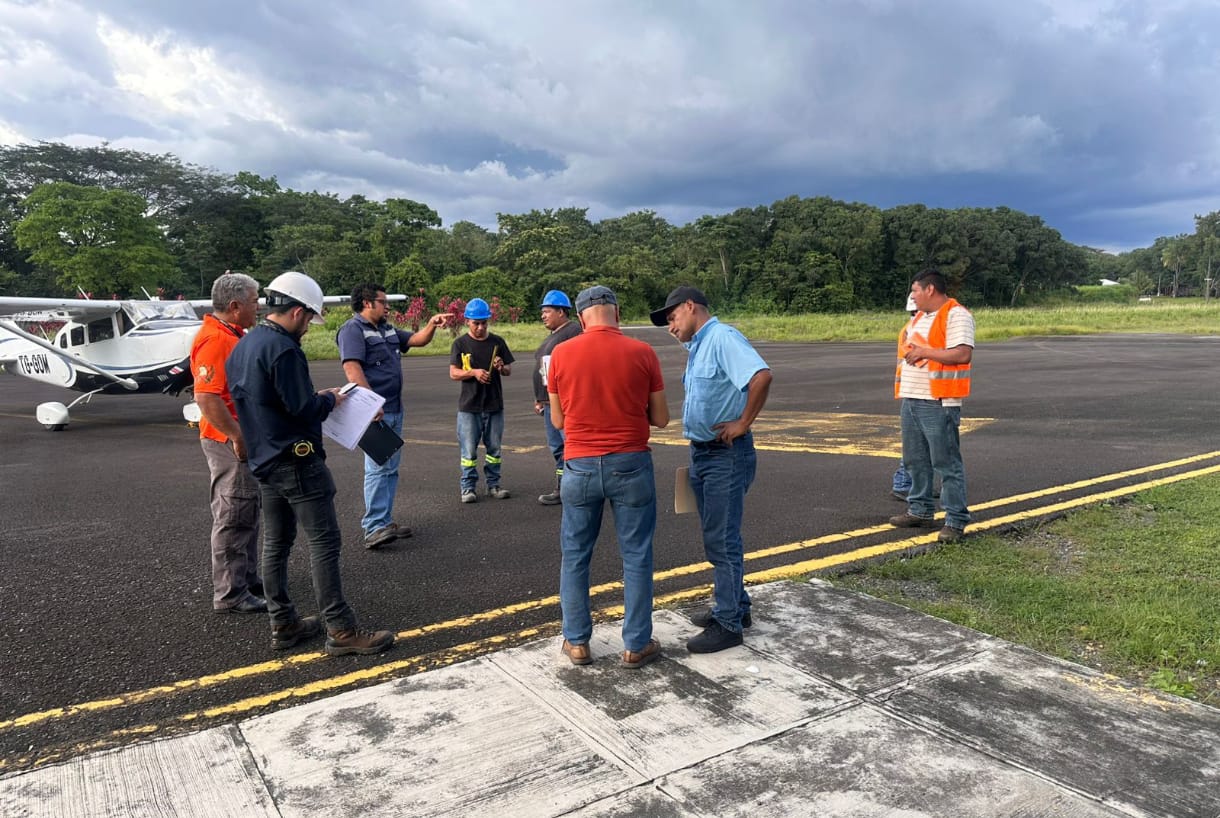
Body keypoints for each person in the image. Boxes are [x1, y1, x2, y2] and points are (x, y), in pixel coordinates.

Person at [227, 271, 395, 656]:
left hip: (265, 460)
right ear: (297, 312)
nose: (306, 328)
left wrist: (315, 398)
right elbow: (303, 409)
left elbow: (269, 401)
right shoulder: (283, 349)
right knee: (324, 542)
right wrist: (329, 400)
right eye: (307, 319)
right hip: (297, 461)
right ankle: (341, 628)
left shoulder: (244, 345)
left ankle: (283, 622)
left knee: (276, 544)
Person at [548, 285, 669, 668]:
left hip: (580, 465)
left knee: (575, 555)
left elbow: (558, 421)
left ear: (580, 317)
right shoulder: (643, 352)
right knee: (636, 555)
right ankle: (636, 644)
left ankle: (577, 642)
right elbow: (661, 418)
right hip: (631, 463)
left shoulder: (560, 354)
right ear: (616, 313)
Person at [651, 285, 772, 654]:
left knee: (722, 539)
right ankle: (738, 606)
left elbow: (761, 376)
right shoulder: (699, 346)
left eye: (672, 317)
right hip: (703, 453)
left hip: (725, 455)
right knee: (717, 534)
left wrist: (743, 423)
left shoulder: (721, 338)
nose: (671, 327)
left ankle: (728, 623)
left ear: (691, 307)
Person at [337, 283, 448, 549]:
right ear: (367, 303)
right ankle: (374, 527)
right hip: (374, 413)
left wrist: (431, 324)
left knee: (390, 468)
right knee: (377, 468)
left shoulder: (386, 329)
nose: (387, 307)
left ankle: (384, 521)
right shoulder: (353, 330)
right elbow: (352, 368)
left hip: (394, 407)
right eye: (383, 302)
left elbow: (416, 340)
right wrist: (370, 403)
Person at [191, 271, 265, 615]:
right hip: (229, 440)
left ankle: (246, 578)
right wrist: (237, 435)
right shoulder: (216, 340)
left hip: (237, 436)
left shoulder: (231, 334)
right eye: (254, 301)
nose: (258, 307)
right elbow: (206, 397)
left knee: (246, 510)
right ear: (235, 306)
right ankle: (231, 592)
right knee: (234, 512)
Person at [888, 267, 975, 543]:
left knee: (946, 462)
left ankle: (955, 519)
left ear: (930, 289)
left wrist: (925, 352)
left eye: (915, 290)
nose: (912, 296)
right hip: (912, 397)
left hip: (938, 400)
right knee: (915, 460)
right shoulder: (919, 317)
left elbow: (962, 353)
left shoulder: (956, 315)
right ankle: (920, 509)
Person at [448, 297, 514, 503]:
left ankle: (494, 485)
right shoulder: (460, 344)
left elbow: (508, 370)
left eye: (484, 323)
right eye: (476, 323)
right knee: (468, 451)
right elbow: (453, 373)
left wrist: (501, 367)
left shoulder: (497, 342)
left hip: (494, 405)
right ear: (467, 321)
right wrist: (474, 372)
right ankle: (468, 488)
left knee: (494, 449)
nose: (480, 327)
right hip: (470, 406)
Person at [532, 289, 581, 505]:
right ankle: (564, 488)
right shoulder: (554, 336)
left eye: (547, 311)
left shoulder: (574, 331)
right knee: (558, 448)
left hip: (564, 402)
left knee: (569, 445)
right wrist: (540, 398)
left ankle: (576, 489)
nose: (543, 315)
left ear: (561, 312)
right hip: (549, 402)